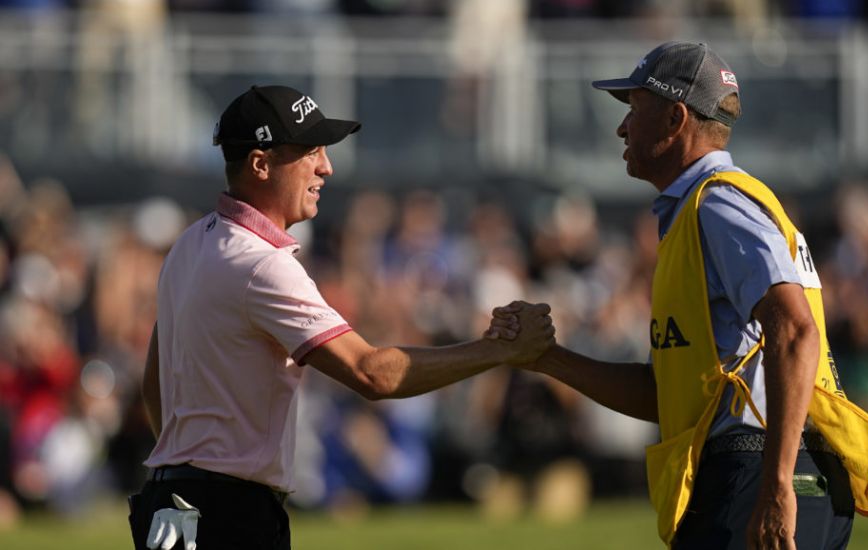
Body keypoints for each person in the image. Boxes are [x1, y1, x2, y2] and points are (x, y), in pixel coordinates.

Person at [490, 41, 868, 549]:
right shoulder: (702, 210)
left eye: (634, 109)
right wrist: (547, 359)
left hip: (761, 467)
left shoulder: (717, 203)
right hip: (766, 466)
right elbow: (670, 397)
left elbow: (794, 329)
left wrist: (776, 484)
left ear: (676, 118)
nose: (622, 128)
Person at [127, 84, 555, 550]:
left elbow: (157, 383)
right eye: (310, 151)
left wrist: (187, 466)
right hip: (227, 513)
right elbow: (371, 374)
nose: (326, 167)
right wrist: (497, 349)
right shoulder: (262, 264)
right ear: (260, 163)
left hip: (171, 502)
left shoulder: (192, 242)